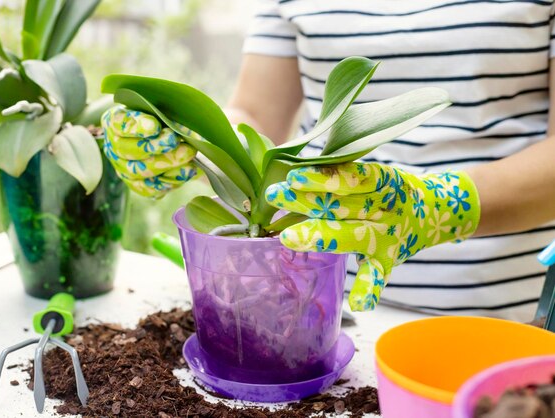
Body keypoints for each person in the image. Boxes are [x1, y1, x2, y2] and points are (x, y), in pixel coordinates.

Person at [103, 0, 555, 322]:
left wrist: (438, 205)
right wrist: (186, 141)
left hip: (500, 314)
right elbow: (257, 118)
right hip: (313, 308)